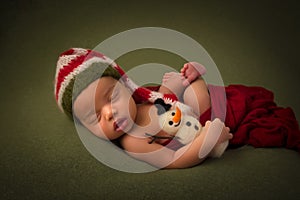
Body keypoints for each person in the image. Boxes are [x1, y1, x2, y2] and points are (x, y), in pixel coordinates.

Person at [54, 48, 300, 169]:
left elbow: (166, 103)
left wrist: (177, 84)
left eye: (111, 97)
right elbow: (172, 160)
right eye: (94, 117)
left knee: (192, 93)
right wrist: (205, 141)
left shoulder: (144, 99)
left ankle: (194, 77)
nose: (109, 113)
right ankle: (201, 103)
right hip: (201, 128)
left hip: (194, 110)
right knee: (195, 104)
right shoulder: (133, 141)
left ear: (126, 85)